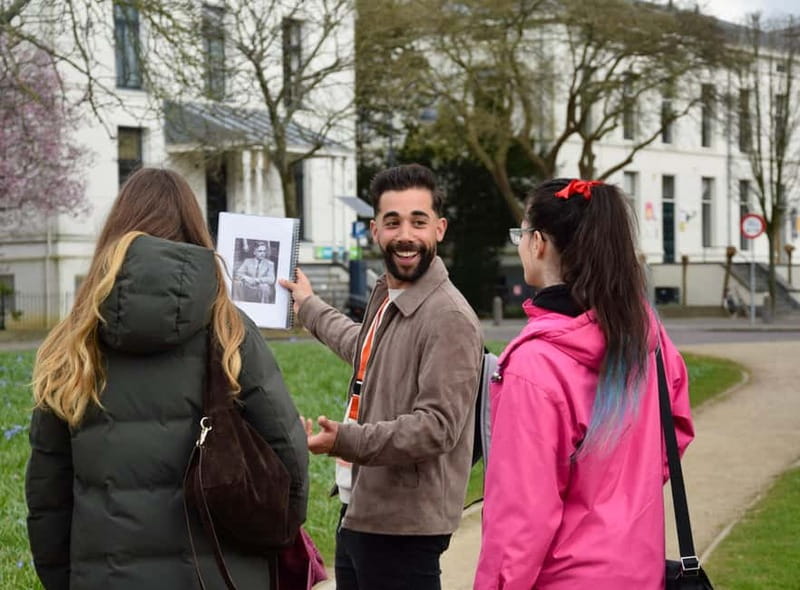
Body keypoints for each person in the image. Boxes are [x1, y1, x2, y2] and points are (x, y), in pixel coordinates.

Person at [25, 168, 308, 590]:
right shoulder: (231, 333)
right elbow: (290, 464)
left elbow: (47, 498)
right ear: (195, 230)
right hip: (221, 574)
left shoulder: (72, 344)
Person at [474, 178, 694, 589]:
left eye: (521, 233)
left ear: (538, 243)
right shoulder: (647, 336)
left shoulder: (535, 364)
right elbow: (675, 430)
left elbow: (521, 518)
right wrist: (622, 495)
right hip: (639, 570)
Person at [280, 163, 483, 590]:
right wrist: (309, 306)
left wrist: (345, 441)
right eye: (393, 222)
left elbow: (437, 428)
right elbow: (365, 350)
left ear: (440, 229)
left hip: (405, 527)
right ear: (375, 230)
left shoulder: (449, 316)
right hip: (362, 510)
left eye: (418, 221)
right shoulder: (391, 296)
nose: (405, 235)